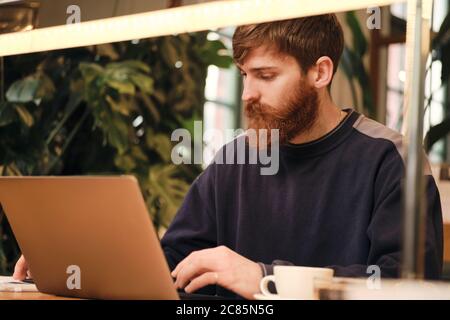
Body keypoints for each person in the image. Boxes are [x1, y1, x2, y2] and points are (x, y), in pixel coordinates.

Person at [14, 14, 443, 300]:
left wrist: (264, 279)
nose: (248, 94)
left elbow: (402, 287)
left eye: (266, 76)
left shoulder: (391, 160)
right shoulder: (237, 158)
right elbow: (171, 264)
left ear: (320, 72)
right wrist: (80, 260)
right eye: (244, 76)